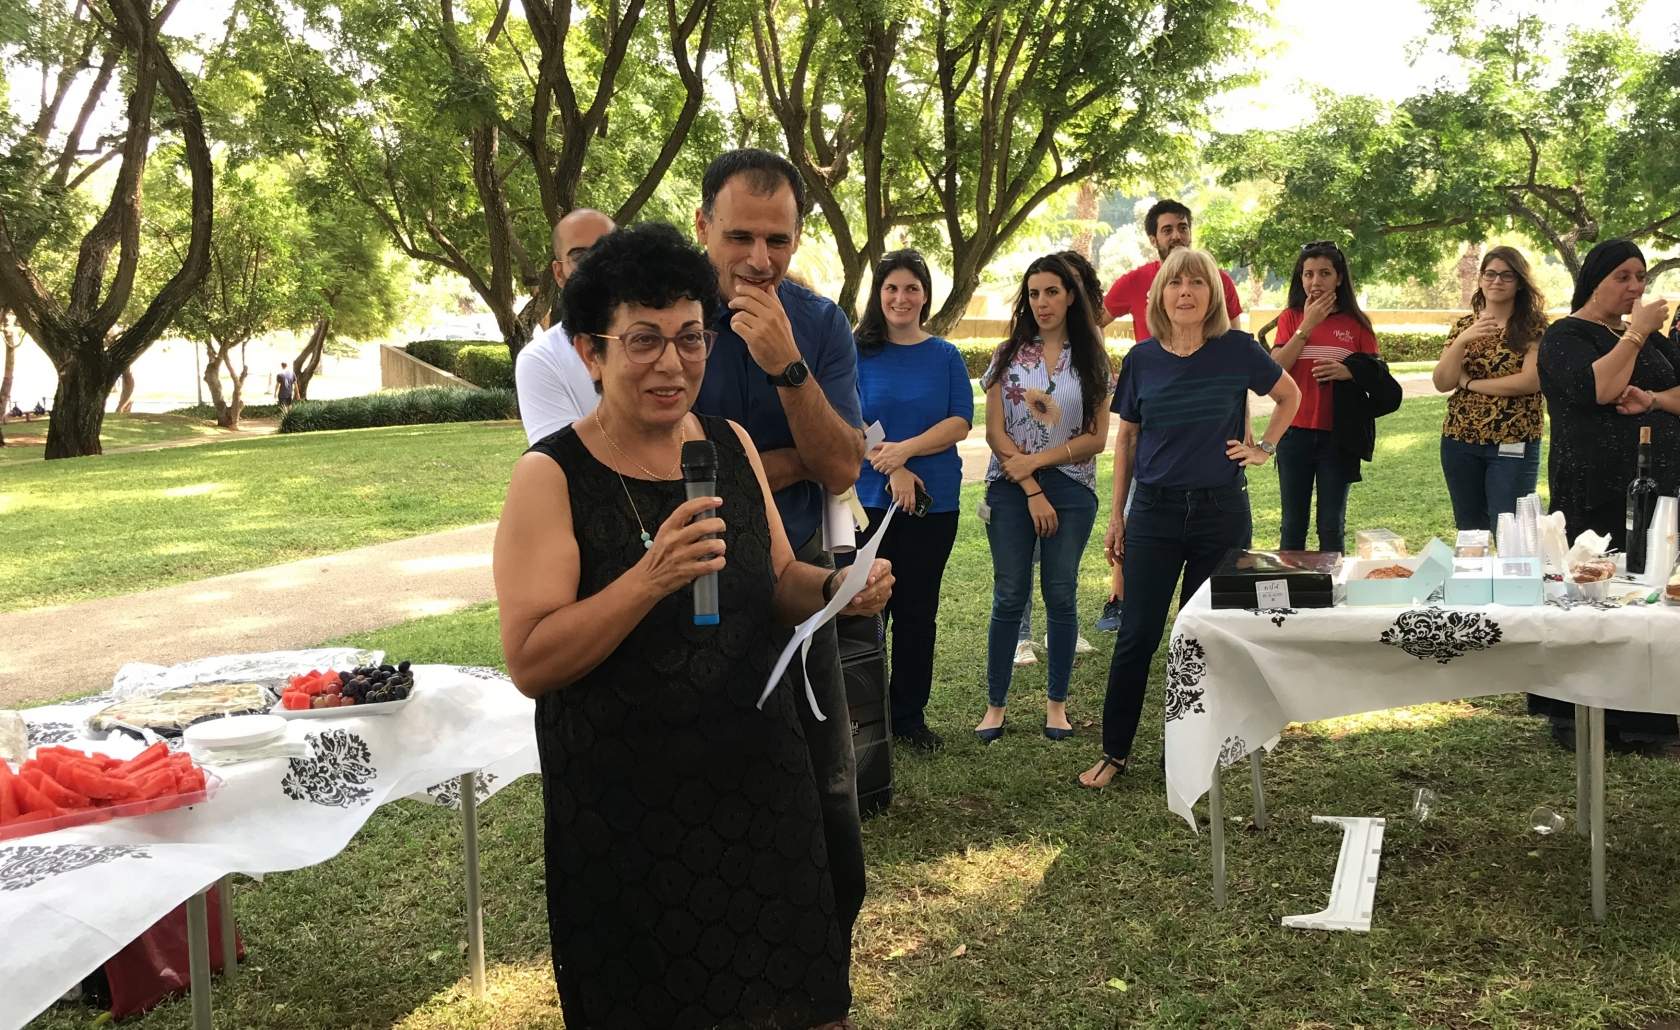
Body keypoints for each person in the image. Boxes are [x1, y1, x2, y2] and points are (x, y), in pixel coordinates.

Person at [493, 222, 892, 1030]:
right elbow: (531, 660)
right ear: (591, 352)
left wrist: (836, 587)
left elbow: (777, 580)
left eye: (690, 338)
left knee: (806, 1000)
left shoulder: (730, 445)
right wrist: (649, 579)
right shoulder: (551, 476)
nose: (672, 364)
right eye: (643, 340)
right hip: (630, 812)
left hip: (762, 782)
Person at [689, 149, 871, 978]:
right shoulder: (670, 315)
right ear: (704, 227)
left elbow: (838, 466)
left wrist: (786, 367)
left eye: (779, 240)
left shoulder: (820, 323)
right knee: (707, 780)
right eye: (740, 238)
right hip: (686, 582)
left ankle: (825, 972)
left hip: (798, 582)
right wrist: (778, 461)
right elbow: (656, 463)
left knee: (827, 783)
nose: (760, 259)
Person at [1081, 248, 1300, 788]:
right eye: (1175, 282)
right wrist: (1118, 515)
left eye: (1197, 283)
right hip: (1153, 512)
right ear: (1160, 295)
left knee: (1203, 636)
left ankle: (1188, 751)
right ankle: (1114, 752)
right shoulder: (1141, 359)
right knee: (1137, 635)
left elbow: (1288, 395)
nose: (1186, 291)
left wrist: (1265, 448)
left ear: (1213, 294)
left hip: (1221, 512)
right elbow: (1127, 439)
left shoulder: (1238, 350)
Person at [1533, 239, 1680, 751]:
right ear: (1594, 281)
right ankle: (1575, 713)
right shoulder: (1566, 335)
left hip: (1656, 485)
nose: (1635, 287)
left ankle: (1644, 720)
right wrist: (1637, 333)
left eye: (1641, 277)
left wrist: (1653, 399)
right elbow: (1597, 388)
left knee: (1646, 593)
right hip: (1593, 484)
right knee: (1591, 593)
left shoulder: (1654, 341)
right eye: (1622, 276)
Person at [976, 254, 1110, 743]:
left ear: (1070, 296)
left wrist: (1036, 463)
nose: (1042, 302)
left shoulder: (1093, 358)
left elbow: (1097, 438)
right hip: (1011, 487)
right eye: (1033, 294)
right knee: (1010, 593)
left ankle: (1057, 705)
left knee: (1060, 592)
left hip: (1073, 489)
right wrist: (1031, 485)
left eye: (1052, 291)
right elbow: (994, 433)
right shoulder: (1006, 354)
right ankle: (995, 706)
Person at [850, 250, 973, 752]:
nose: (901, 298)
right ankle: (864, 712)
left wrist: (907, 450)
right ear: (878, 295)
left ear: (925, 296)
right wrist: (894, 467)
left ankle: (908, 717)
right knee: (865, 609)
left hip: (933, 505)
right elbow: (844, 415)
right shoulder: (855, 352)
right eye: (891, 288)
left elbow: (959, 422)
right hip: (868, 501)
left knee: (918, 613)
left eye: (911, 289)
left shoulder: (945, 355)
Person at [1270, 240, 1379, 552]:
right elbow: (1275, 370)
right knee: (1293, 524)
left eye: (1324, 273)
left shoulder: (1357, 324)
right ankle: (1292, 583)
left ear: (1339, 278)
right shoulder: (1291, 318)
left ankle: (1331, 582)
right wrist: (1307, 325)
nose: (1315, 281)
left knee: (1331, 525)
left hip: (1338, 437)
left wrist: (1350, 371)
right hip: (1293, 435)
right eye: (1308, 274)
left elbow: (1377, 378)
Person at [1431, 246, 1549, 530]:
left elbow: (1529, 382)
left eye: (1507, 275)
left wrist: (1470, 383)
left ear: (1519, 283)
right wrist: (1462, 341)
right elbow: (1442, 382)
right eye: (1490, 274)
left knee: (1512, 529)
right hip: (1460, 440)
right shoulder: (1464, 327)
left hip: (1514, 441)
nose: (1497, 281)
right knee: (1470, 530)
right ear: (1481, 279)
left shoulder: (1535, 328)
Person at [516, 208, 616, 444]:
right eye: (580, 258)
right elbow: (563, 457)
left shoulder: (668, 340)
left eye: (608, 254)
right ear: (559, 273)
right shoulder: (540, 359)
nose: (597, 268)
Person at [1102, 199, 1244, 340]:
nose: (1176, 236)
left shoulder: (1218, 280)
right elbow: (1096, 321)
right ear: (1153, 240)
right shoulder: (1134, 281)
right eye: (1167, 230)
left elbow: (1236, 339)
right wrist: (1099, 354)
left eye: (1183, 228)